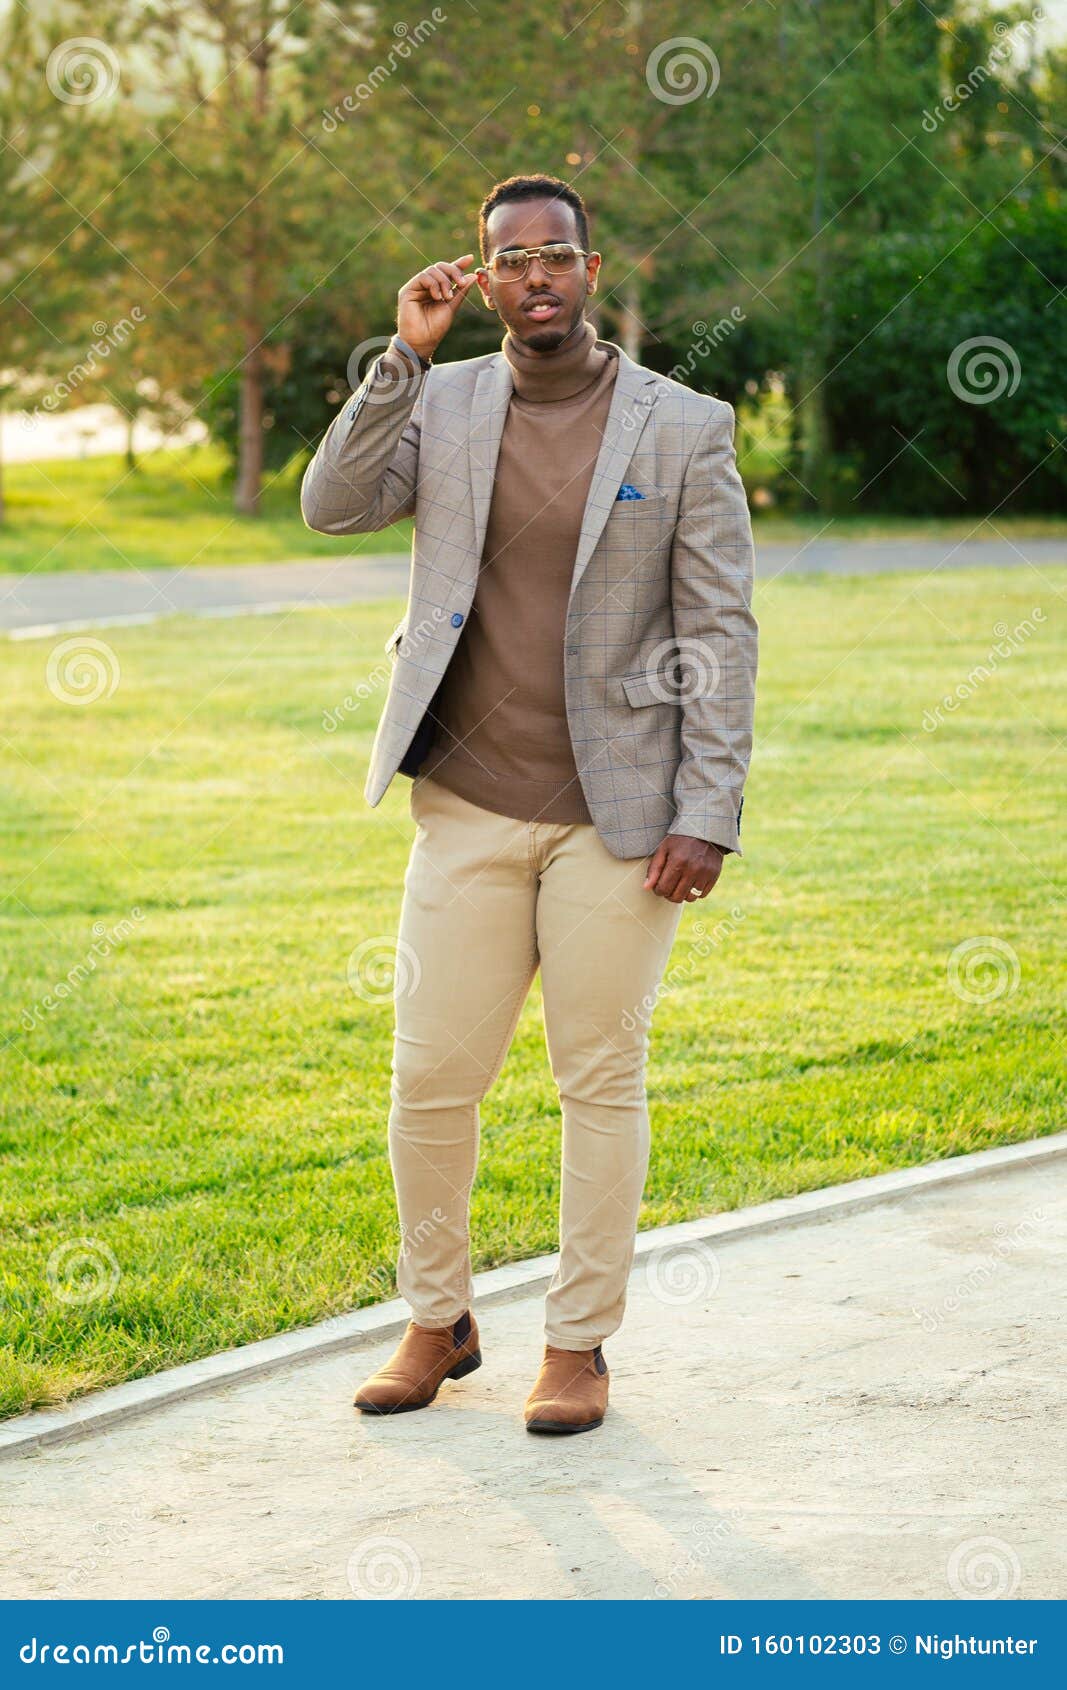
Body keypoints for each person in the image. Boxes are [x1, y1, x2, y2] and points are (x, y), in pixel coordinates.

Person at [301, 173, 758, 1435]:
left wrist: (706, 806)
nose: (536, 276)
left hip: (620, 818)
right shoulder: (441, 403)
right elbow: (331, 504)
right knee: (430, 1080)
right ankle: (437, 1319)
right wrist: (400, 352)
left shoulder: (682, 426)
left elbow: (717, 629)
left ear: (592, 273)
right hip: (464, 801)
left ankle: (578, 1343)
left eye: (556, 255)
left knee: (597, 1079)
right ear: (482, 276)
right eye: (512, 259)